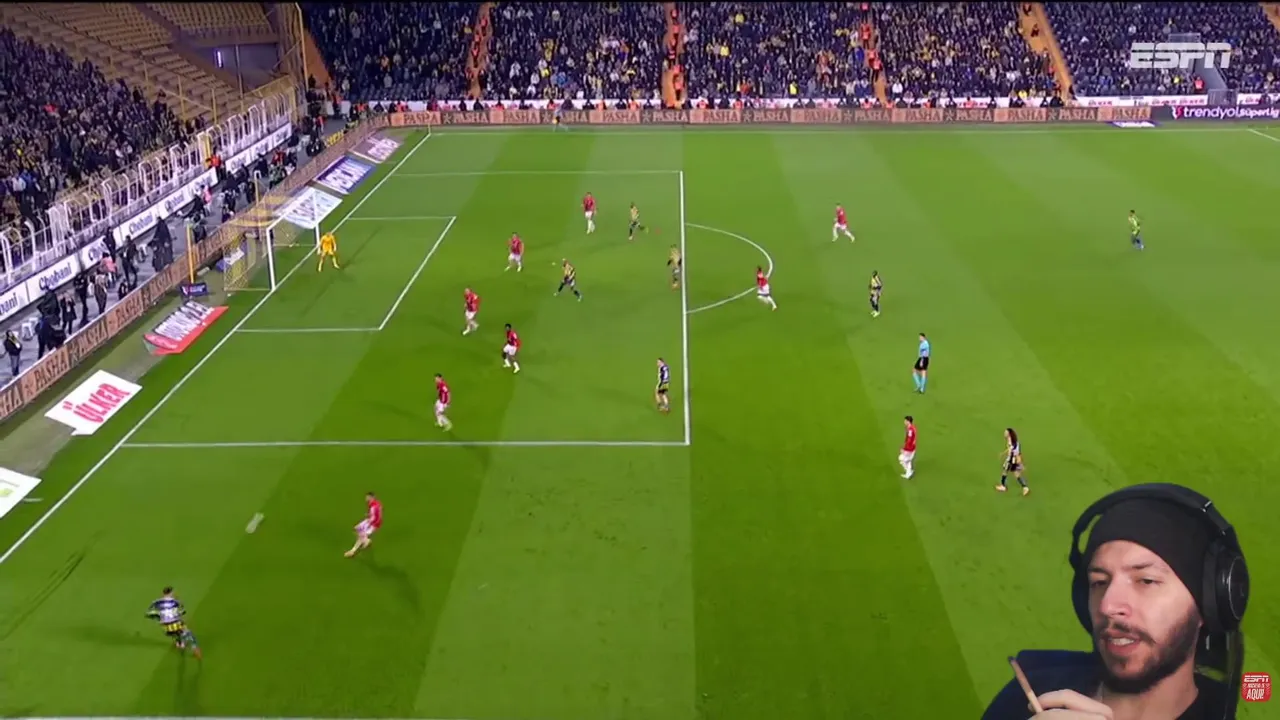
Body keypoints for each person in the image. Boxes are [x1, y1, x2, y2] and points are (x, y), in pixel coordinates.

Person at [983, 484, 1249, 720]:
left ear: (1207, 603)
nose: (1107, 606)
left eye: (1146, 581)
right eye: (1099, 582)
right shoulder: (1025, 695)